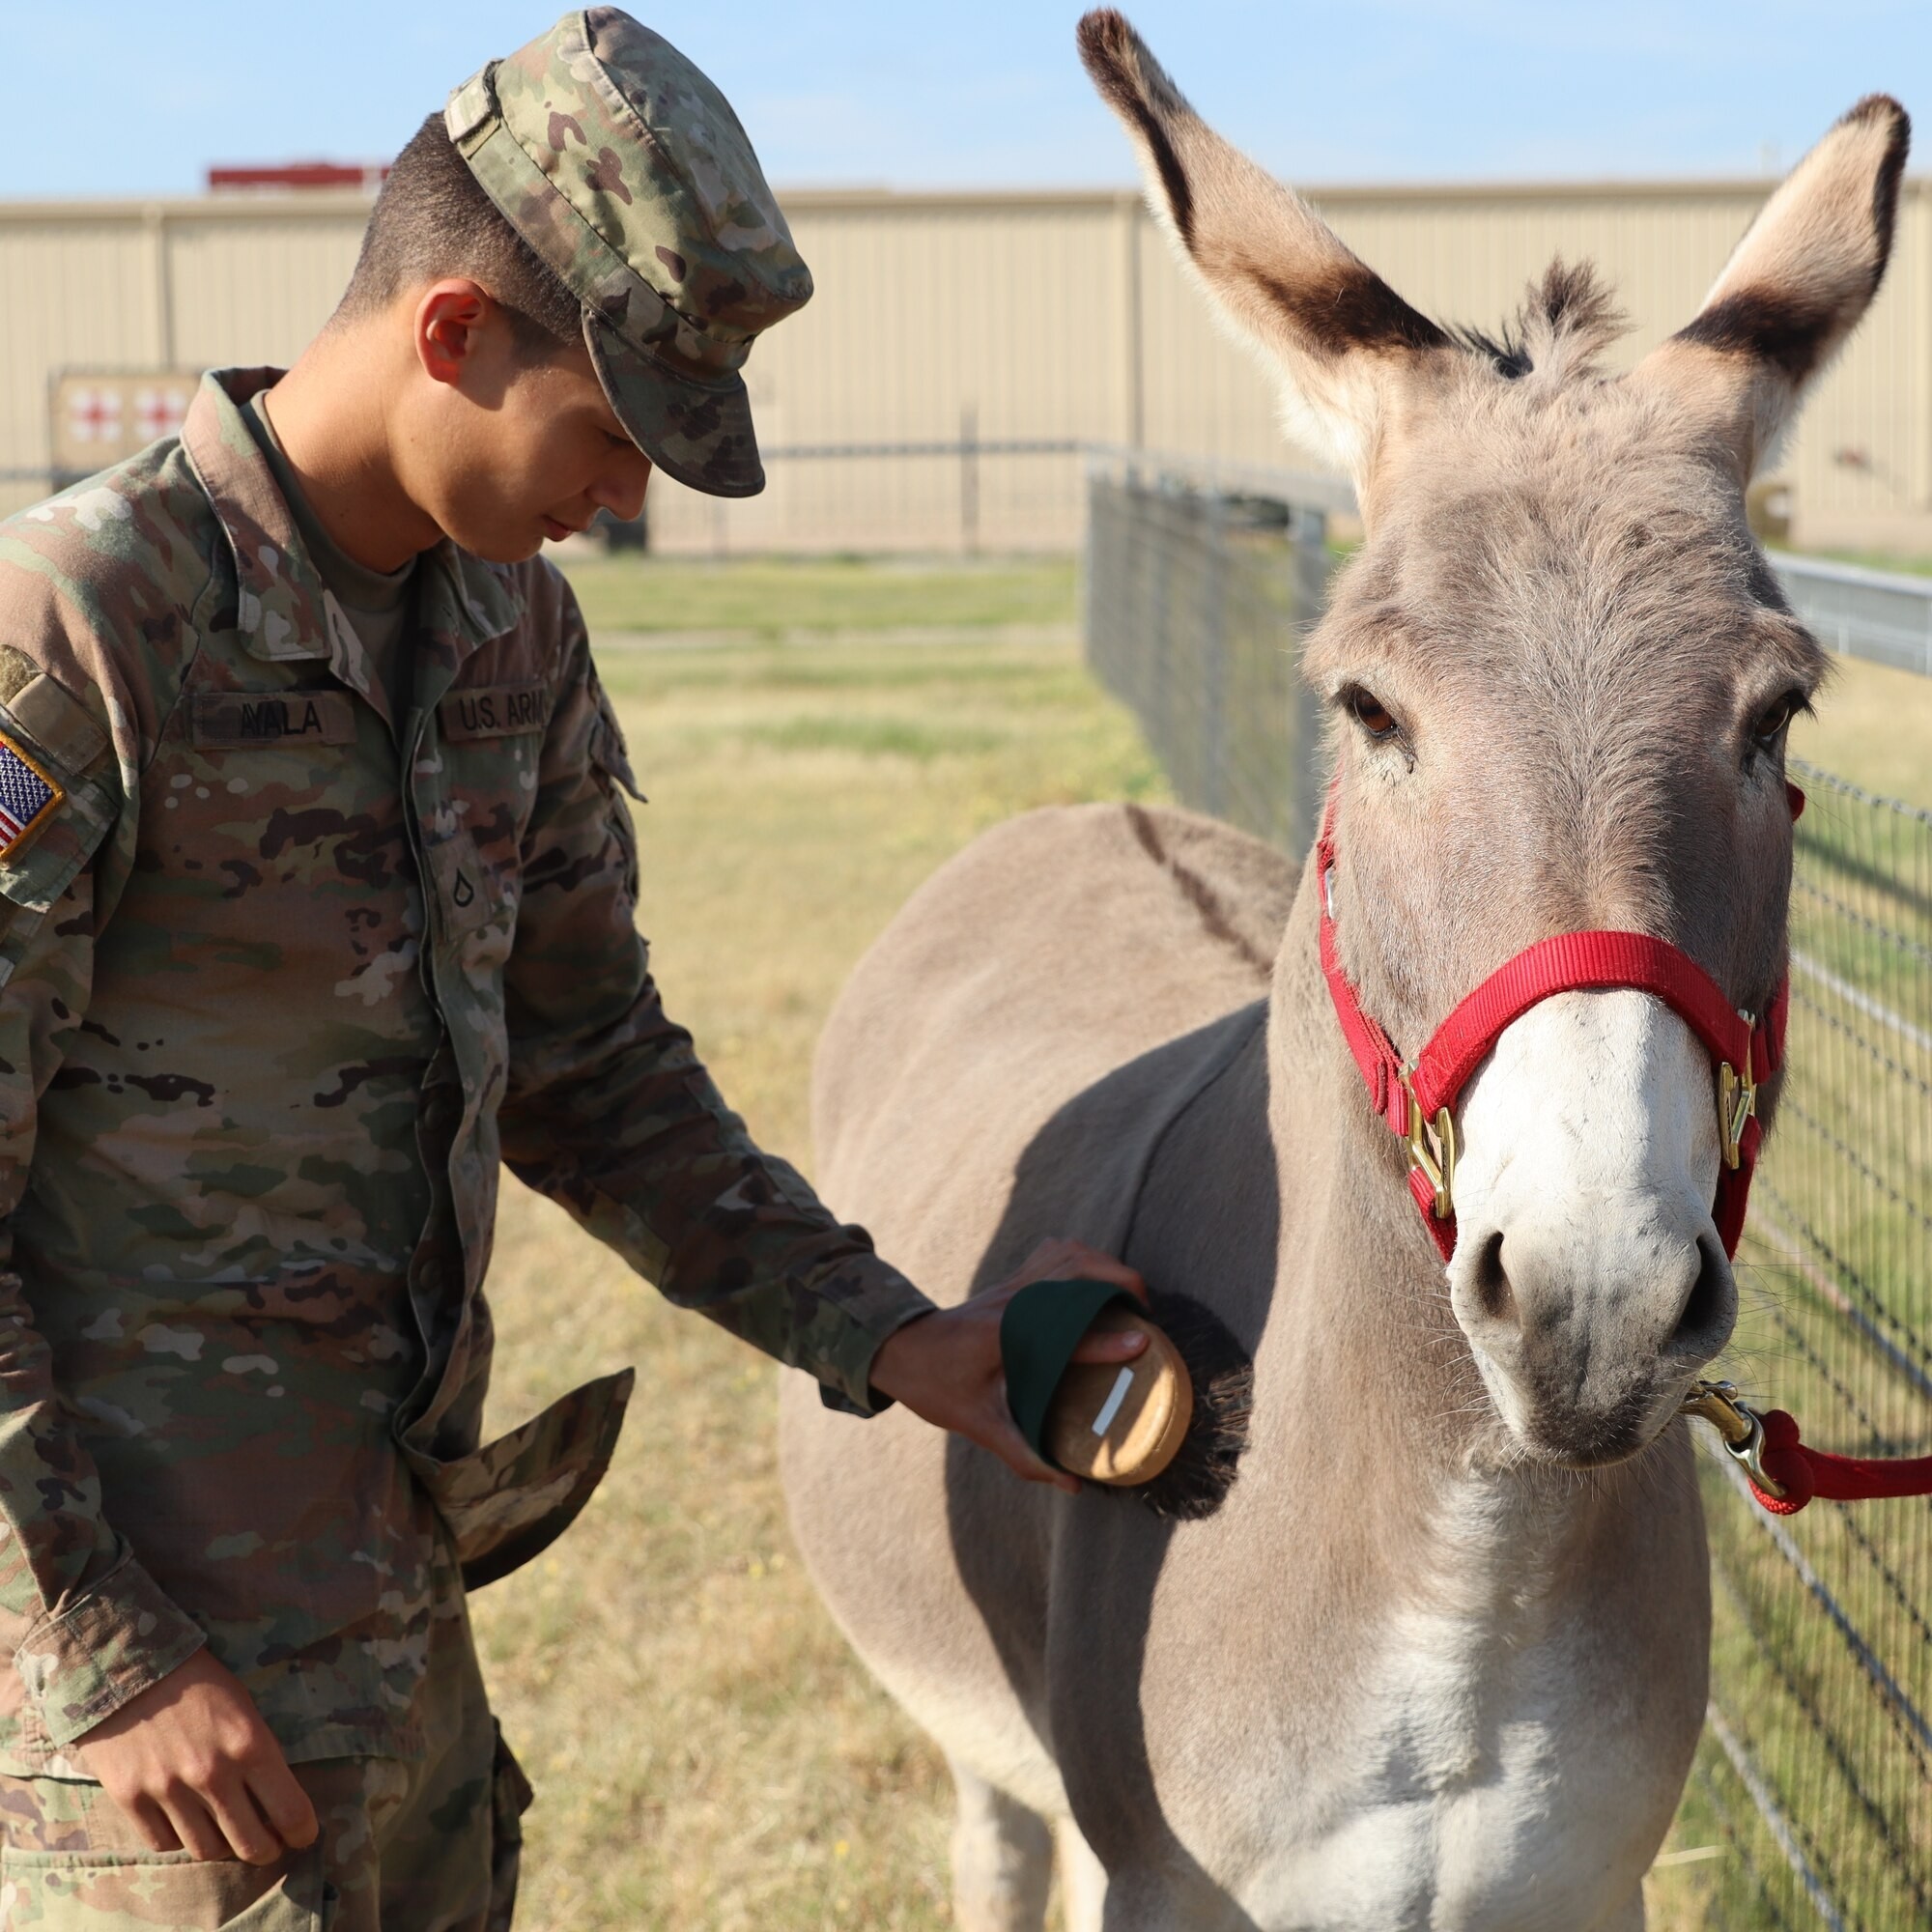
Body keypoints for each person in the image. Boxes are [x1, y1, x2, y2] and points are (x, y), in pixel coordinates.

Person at [0, 10, 1145, 1925]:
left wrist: (894, 1337)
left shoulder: (504, 634)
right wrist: (107, 1644)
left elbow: (592, 1071)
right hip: (141, 1727)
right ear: (451, 331)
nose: (624, 500)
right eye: (610, 432)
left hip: (401, 1625)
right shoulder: (86, 630)